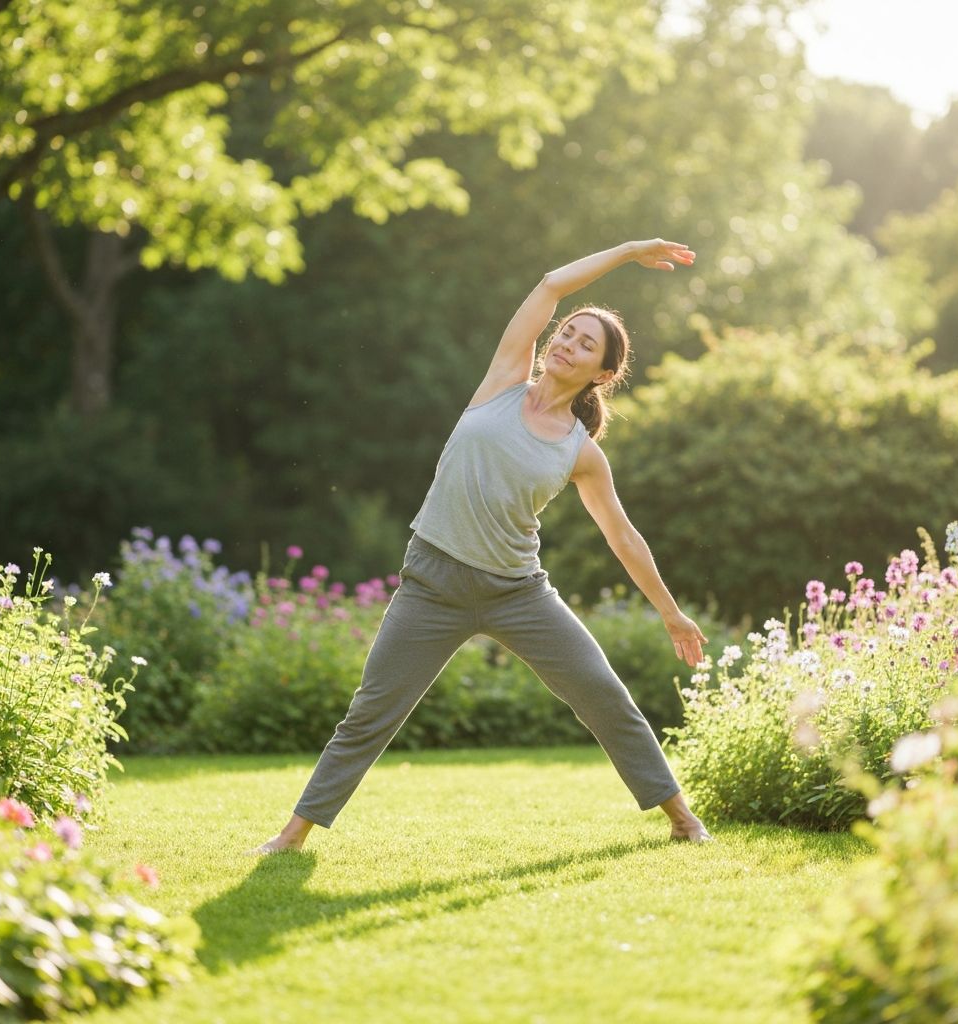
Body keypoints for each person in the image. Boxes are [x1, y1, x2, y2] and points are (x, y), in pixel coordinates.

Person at [252, 237, 713, 854]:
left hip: (517, 593)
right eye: (568, 333)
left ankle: (682, 817)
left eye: (585, 344)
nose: (567, 343)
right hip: (432, 584)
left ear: (603, 374)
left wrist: (670, 611)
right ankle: (291, 836)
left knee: (604, 696)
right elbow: (550, 284)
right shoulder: (503, 382)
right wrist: (628, 251)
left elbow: (623, 537)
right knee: (369, 716)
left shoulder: (580, 451)